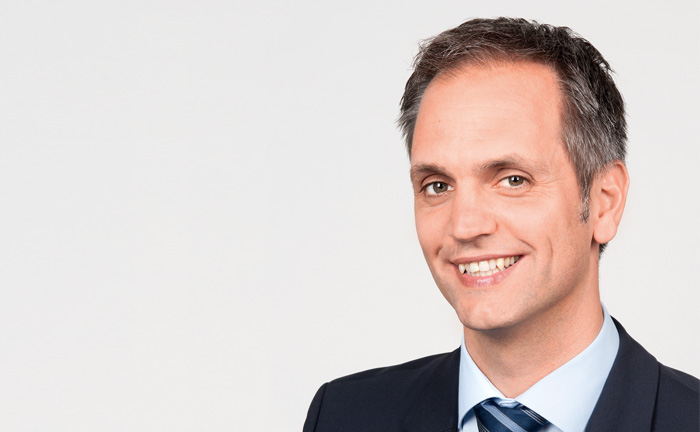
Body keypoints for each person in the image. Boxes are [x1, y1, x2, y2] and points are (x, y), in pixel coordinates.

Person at [303, 18, 699, 432]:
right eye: (438, 185)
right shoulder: (343, 416)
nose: (464, 225)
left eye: (513, 180)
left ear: (604, 202)